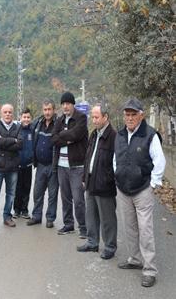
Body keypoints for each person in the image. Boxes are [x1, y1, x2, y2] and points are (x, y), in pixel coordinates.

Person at [113, 98, 166, 288]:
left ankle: (150, 270)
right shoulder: (119, 135)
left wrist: (153, 184)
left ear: (141, 115)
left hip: (142, 189)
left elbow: (159, 161)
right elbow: (116, 159)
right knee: (129, 227)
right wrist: (117, 177)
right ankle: (134, 259)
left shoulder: (150, 135)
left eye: (133, 114)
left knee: (146, 230)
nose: (129, 118)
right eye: (127, 114)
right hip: (123, 189)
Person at [77, 103, 117, 260]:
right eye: (92, 117)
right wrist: (84, 177)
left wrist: (109, 179)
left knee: (107, 218)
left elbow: (116, 162)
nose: (93, 120)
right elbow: (88, 157)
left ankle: (110, 246)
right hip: (91, 181)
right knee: (91, 214)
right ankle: (92, 242)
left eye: (96, 117)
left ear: (105, 117)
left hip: (105, 184)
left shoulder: (114, 136)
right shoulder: (94, 134)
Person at [52, 92, 88, 237]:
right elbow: (53, 139)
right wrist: (66, 138)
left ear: (73, 104)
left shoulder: (81, 118)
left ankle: (84, 227)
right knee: (65, 197)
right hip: (62, 165)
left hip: (77, 165)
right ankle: (68, 225)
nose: (65, 106)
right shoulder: (59, 120)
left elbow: (77, 134)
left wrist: (63, 135)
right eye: (63, 104)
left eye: (68, 103)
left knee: (78, 199)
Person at [0, 104, 23, 229]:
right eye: (5, 112)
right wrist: (13, 140)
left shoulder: (18, 127)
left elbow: (20, 144)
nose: (7, 114)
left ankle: (7, 217)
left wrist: (4, 141)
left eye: (10, 112)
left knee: (11, 194)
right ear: (1, 113)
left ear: (12, 114)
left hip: (13, 167)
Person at [27, 99, 59, 228]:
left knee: (52, 194)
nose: (47, 112)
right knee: (37, 192)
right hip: (40, 165)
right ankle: (37, 216)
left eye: (49, 109)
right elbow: (26, 127)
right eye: (45, 110)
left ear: (53, 110)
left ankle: (50, 218)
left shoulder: (59, 124)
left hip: (53, 165)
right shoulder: (38, 123)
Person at [13, 108, 33, 219]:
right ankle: (16, 210)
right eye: (24, 117)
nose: (26, 119)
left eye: (28, 117)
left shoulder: (33, 130)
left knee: (27, 188)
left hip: (28, 165)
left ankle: (25, 210)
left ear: (30, 118)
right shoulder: (16, 130)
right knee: (17, 188)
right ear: (20, 118)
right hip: (17, 165)